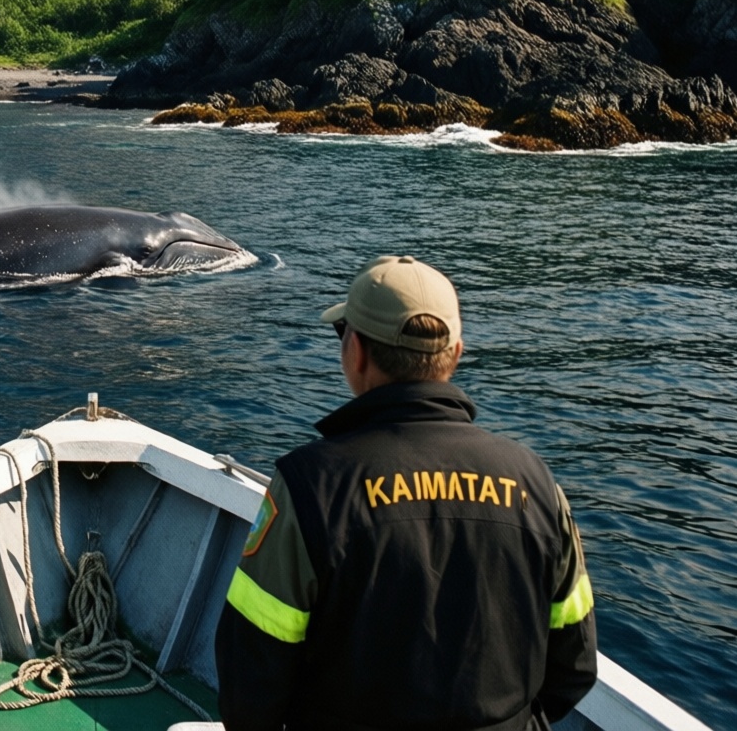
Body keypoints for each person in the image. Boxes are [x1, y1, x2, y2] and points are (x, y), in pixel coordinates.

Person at [215, 255, 597, 731]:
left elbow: (248, 684)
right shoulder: (535, 483)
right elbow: (575, 666)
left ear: (355, 351)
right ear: (456, 353)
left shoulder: (310, 486)